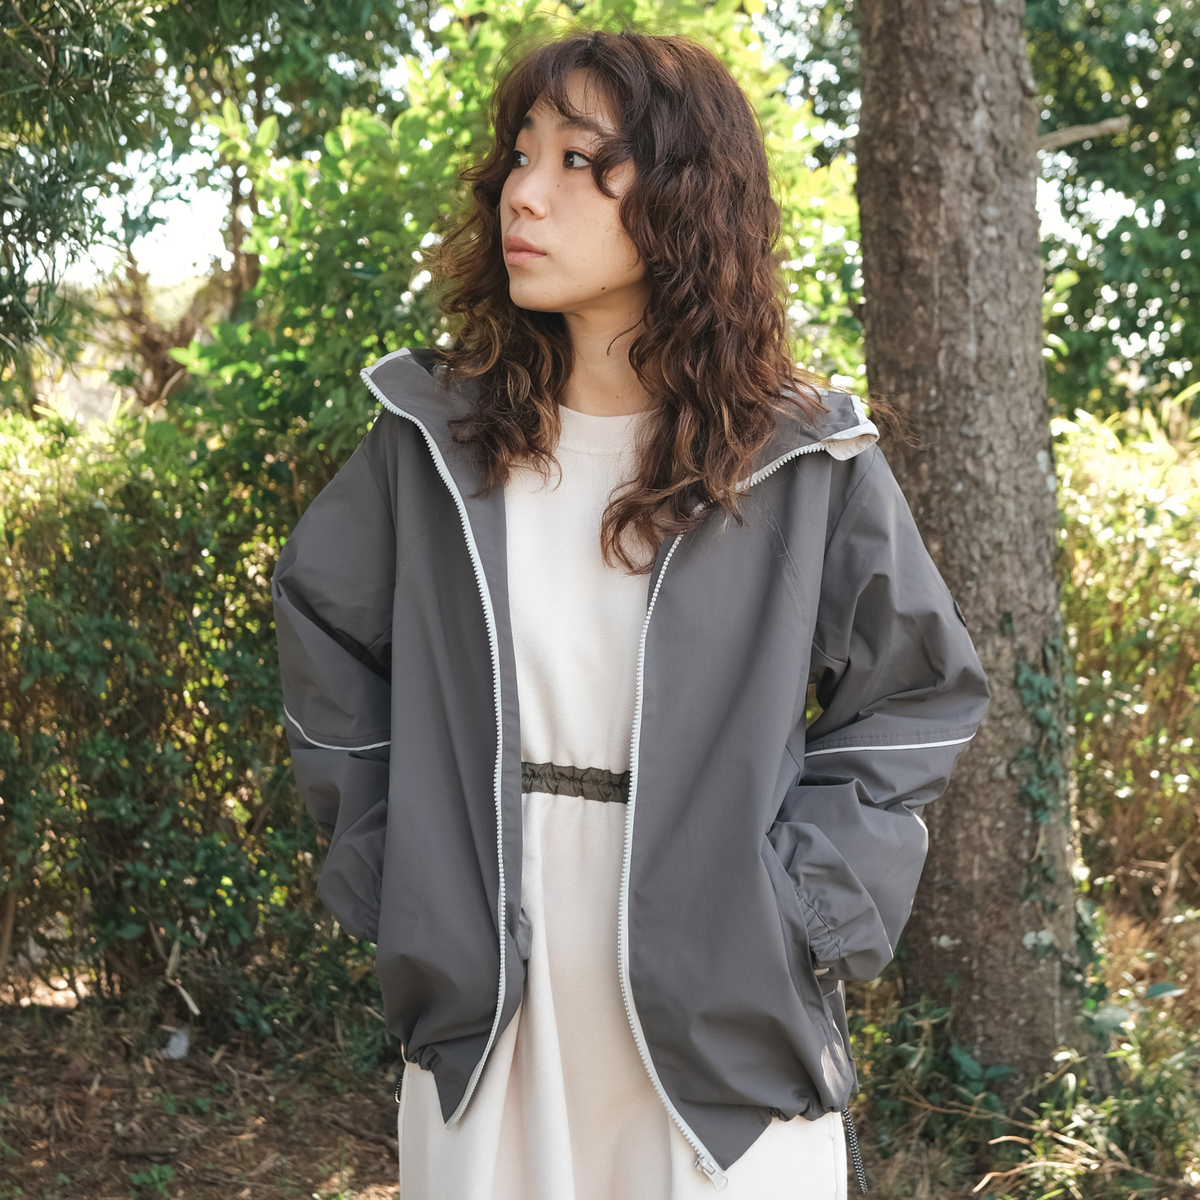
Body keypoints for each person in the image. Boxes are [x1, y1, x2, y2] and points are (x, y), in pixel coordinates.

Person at [272, 28, 991, 1200]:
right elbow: (324, 630)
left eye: (576, 161)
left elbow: (919, 692)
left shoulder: (801, 460)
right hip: (488, 1007)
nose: (524, 193)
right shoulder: (434, 444)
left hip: (722, 1015)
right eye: (519, 156)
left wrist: (803, 904)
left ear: (682, 198)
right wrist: (390, 861)